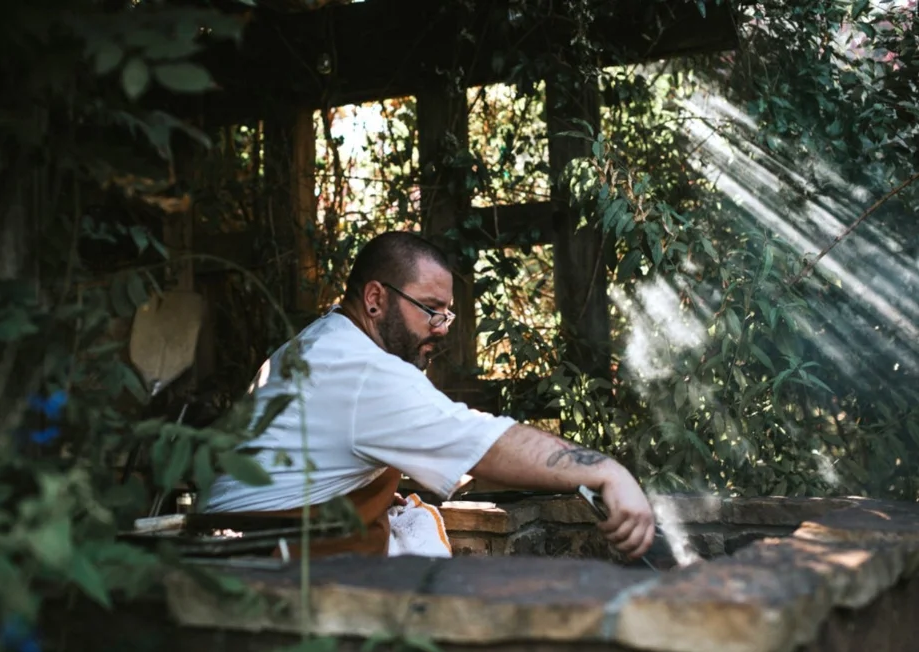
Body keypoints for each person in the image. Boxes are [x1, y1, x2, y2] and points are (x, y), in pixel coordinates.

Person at [204, 231, 655, 559]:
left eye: (447, 315)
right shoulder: (363, 370)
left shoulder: (324, 340)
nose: (440, 329)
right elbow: (484, 443)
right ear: (375, 298)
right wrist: (607, 472)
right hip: (272, 575)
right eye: (430, 311)